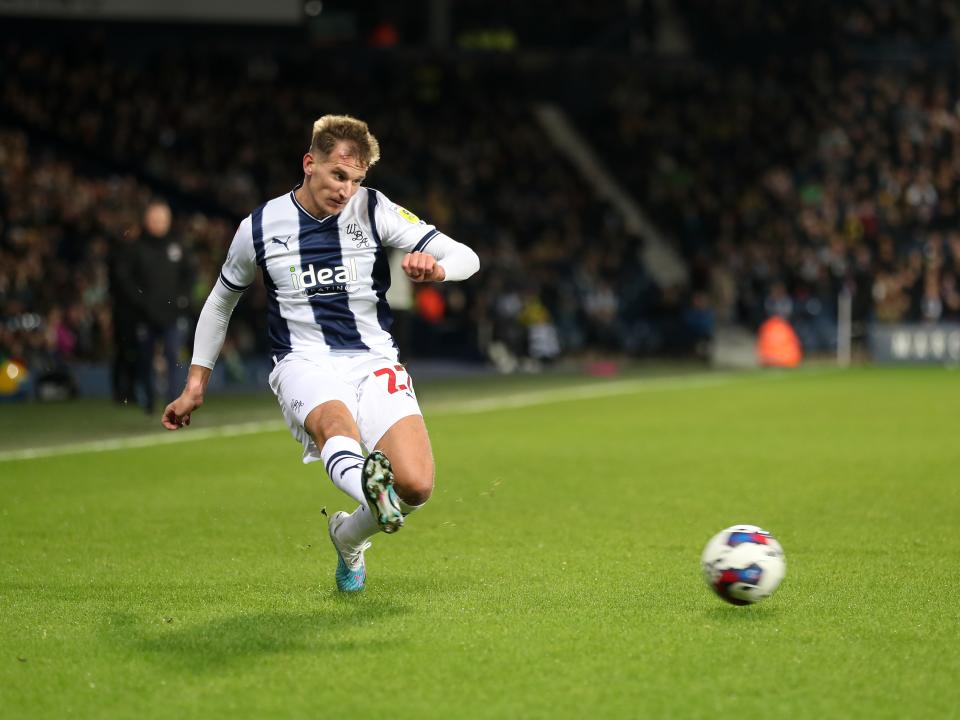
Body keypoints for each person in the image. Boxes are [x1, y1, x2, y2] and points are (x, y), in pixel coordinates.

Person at [161, 115, 480, 592]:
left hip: (374, 360)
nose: (346, 190)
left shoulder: (375, 209)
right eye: (337, 175)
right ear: (309, 164)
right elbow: (221, 300)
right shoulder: (261, 226)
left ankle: (348, 535)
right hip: (302, 360)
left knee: (415, 486)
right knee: (335, 426)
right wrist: (195, 383)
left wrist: (437, 270)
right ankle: (371, 491)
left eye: (355, 180)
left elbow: (468, 258)